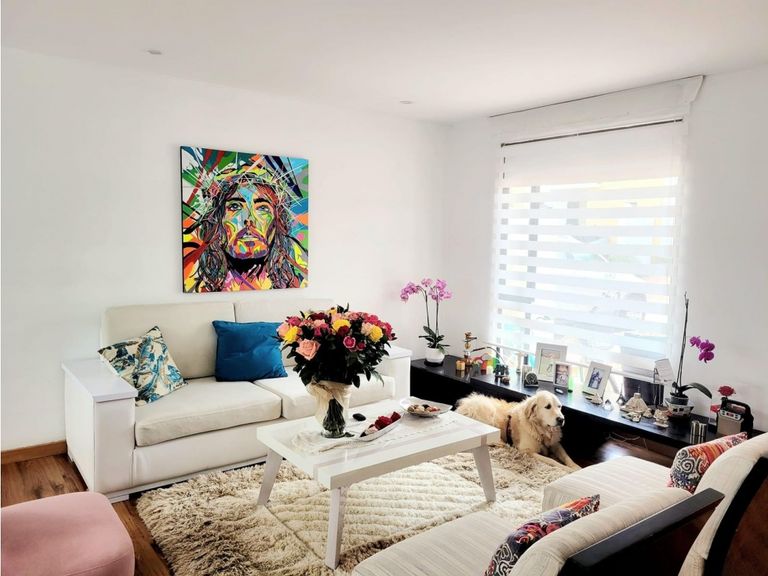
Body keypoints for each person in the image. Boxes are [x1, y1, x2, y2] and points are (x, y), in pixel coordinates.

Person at [186, 169, 307, 291]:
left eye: (262, 208)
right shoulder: (194, 284)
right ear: (218, 220)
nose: (249, 219)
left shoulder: (300, 282)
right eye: (235, 206)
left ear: (277, 222)